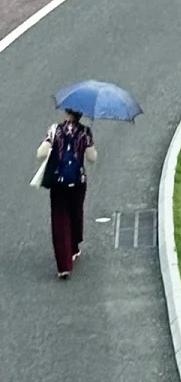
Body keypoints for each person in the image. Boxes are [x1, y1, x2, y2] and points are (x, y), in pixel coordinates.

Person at [37, 109, 97, 278]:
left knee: (60, 219)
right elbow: (92, 158)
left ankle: (64, 265)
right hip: (78, 181)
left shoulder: (55, 130)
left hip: (59, 182)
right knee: (76, 214)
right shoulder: (85, 132)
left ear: (66, 113)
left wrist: (51, 152)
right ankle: (74, 245)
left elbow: (40, 153)